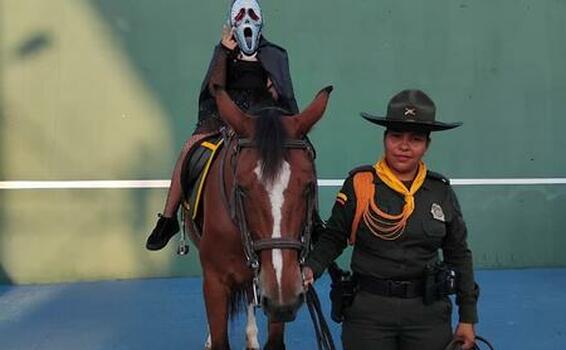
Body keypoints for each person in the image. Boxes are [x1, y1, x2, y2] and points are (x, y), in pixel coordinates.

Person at [303, 89, 479, 349]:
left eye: (415, 139)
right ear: (385, 138)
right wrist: (310, 269)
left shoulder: (440, 191)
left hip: (427, 315)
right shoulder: (360, 184)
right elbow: (334, 237)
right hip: (369, 315)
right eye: (396, 136)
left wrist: (467, 318)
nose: (404, 146)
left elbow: (459, 255)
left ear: (427, 145)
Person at [146, 0, 300, 251]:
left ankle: (312, 222)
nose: (247, 19)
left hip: (261, 118)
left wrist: (274, 92)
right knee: (189, 148)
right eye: (241, 14)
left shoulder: (274, 54)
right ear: (232, 21)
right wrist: (223, 53)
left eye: (252, 13)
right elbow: (214, 88)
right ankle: (168, 218)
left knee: (300, 152)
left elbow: (283, 94)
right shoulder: (223, 52)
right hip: (223, 117)